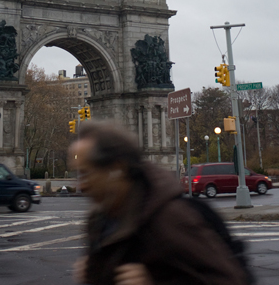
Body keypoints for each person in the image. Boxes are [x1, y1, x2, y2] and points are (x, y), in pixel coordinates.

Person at [70, 121, 248, 285]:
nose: (81, 185)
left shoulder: (170, 219)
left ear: (117, 168)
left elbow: (228, 280)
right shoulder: (99, 220)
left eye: (86, 174)